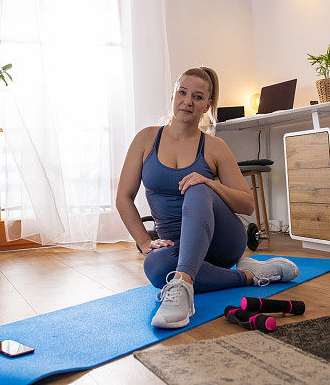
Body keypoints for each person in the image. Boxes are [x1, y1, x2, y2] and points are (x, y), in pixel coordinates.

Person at [115, 66, 299, 329]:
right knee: (155, 268)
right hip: (179, 246)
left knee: (198, 187)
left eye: (198, 97)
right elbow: (124, 197)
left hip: (221, 242)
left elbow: (247, 204)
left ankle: (182, 284)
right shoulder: (146, 139)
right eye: (182, 92)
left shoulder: (214, 147)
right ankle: (250, 275)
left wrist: (210, 184)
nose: (188, 101)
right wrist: (144, 242)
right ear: (173, 95)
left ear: (207, 105)